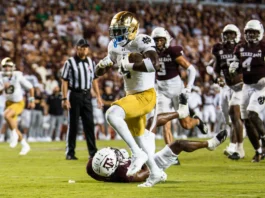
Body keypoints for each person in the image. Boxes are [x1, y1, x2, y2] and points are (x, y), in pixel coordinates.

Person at [95, 11, 166, 187]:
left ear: (132, 29)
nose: (117, 35)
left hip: (146, 94)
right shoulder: (113, 46)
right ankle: (156, 173)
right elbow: (99, 72)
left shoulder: (142, 41)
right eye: (115, 31)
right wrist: (100, 67)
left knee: (112, 113)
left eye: (121, 31)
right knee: (140, 138)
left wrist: (130, 64)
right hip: (132, 95)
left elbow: (155, 65)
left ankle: (136, 154)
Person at [86, 98, 227, 183]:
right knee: (178, 144)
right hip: (148, 165)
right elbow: (146, 172)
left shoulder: (94, 167)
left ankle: (181, 113)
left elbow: (98, 173)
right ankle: (211, 144)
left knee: (153, 121)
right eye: (114, 155)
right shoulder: (126, 174)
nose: (113, 150)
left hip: (137, 158)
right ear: (114, 166)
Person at [150, 27, 207, 144]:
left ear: (166, 40)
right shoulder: (150, 53)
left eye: (161, 40)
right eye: (156, 40)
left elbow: (191, 69)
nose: (158, 43)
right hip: (161, 91)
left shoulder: (173, 51)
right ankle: (171, 155)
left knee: (186, 124)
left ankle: (197, 122)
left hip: (177, 90)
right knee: (165, 124)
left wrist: (188, 88)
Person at [229, 20, 265, 162]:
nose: (251, 34)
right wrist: (234, 67)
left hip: (262, 86)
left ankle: (264, 140)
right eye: (249, 32)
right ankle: (258, 150)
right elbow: (237, 64)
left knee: (252, 113)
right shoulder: (240, 47)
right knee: (246, 120)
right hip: (247, 86)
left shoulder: (263, 46)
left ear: (260, 33)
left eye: (254, 32)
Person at [61, 38, 103, 160]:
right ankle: (70, 152)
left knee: (89, 124)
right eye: (81, 47)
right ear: (77, 48)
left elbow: (94, 80)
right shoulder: (70, 62)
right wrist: (64, 98)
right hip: (75, 94)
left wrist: (98, 97)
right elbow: (64, 81)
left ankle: (93, 152)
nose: (84, 50)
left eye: (86, 47)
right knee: (73, 124)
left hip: (87, 96)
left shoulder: (91, 62)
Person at [211, 24, 244, 160]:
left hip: (241, 86)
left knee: (236, 115)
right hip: (226, 87)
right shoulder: (219, 49)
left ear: (237, 35)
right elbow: (215, 69)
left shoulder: (243, 47)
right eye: (227, 34)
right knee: (229, 118)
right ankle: (235, 145)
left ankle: (236, 147)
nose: (229, 37)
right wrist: (217, 78)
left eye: (232, 34)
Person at [0, 57, 35, 155]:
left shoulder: (18, 75)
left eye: (8, 66)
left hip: (18, 102)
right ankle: (24, 145)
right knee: (12, 125)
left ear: (12, 67)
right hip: (9, 103)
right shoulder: (1, 76)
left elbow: (31, 88)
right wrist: (3, 88)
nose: (7, 68)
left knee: (6, 116)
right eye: (5, 66)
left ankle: (13, 135)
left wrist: (32, 101)